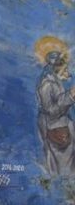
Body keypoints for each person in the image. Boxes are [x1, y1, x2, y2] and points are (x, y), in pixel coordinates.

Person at [35, 37, 75, 176]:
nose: (66, 71)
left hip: (60, 127)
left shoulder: (55, 80)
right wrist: (70, 96)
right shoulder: (46, 84)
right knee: (62, 167)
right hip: (55, 129)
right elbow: (51, 110)